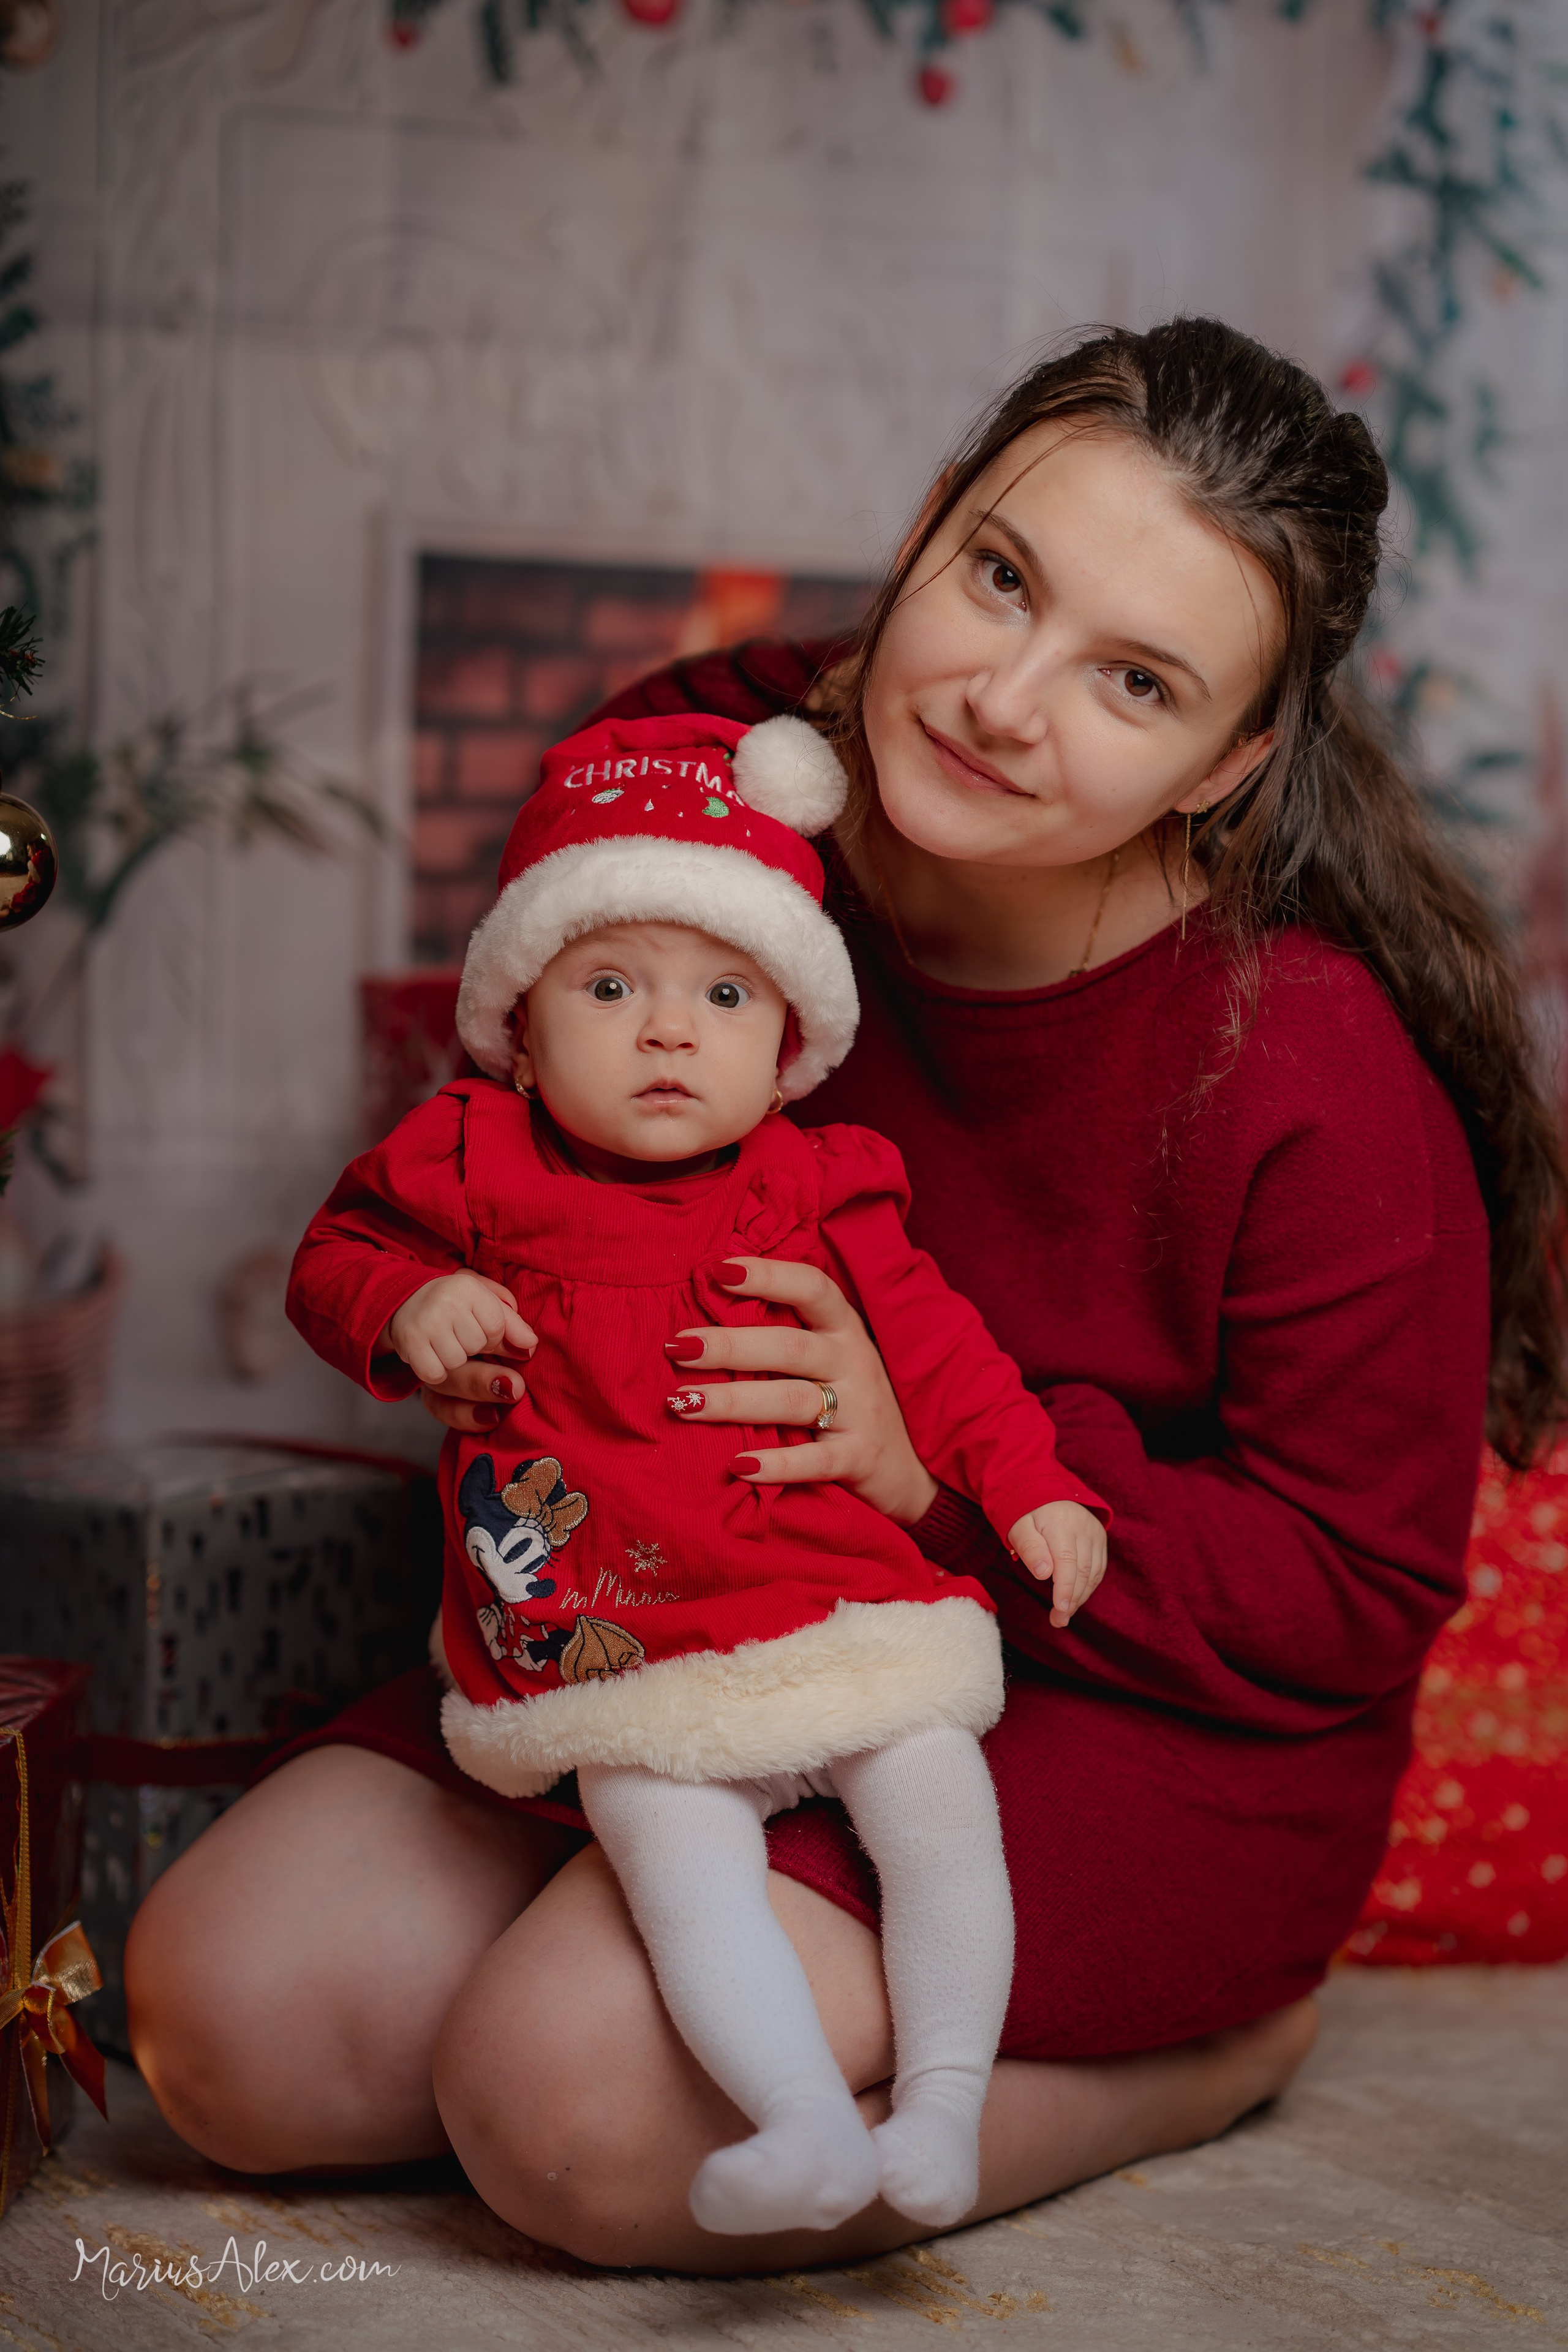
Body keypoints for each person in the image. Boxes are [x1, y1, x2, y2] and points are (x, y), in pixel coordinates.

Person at [125, 317, 1567, 2277]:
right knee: (225, 2028)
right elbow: (523, 1127)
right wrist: (460, 1315)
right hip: (679, 1585)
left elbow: (1353, 1590)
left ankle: (1199, 2060)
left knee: (566, 2112)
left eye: (1136, 681)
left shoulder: (1306, 1066)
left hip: (1124, 1699)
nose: (1002, 701)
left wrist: (938, 1468)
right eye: (1003, 576)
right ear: (928, 526)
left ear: (1232, 763)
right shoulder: (713, 780)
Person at [284, 707, 1109, 2236]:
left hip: (830, 1603)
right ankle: (798, 2119)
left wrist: (1031, 1486)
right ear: (519, 1028)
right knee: (675, 1859)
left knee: (937, 1803)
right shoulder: (469, 1158)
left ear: (786, 1045)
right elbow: (332, 1256)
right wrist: (403, 1303)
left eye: (724, 994)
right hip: (625, 1640)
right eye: (609, 987)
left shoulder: (816, 1183)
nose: (669, 1031)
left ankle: (942, 2107)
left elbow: (940, 1352)